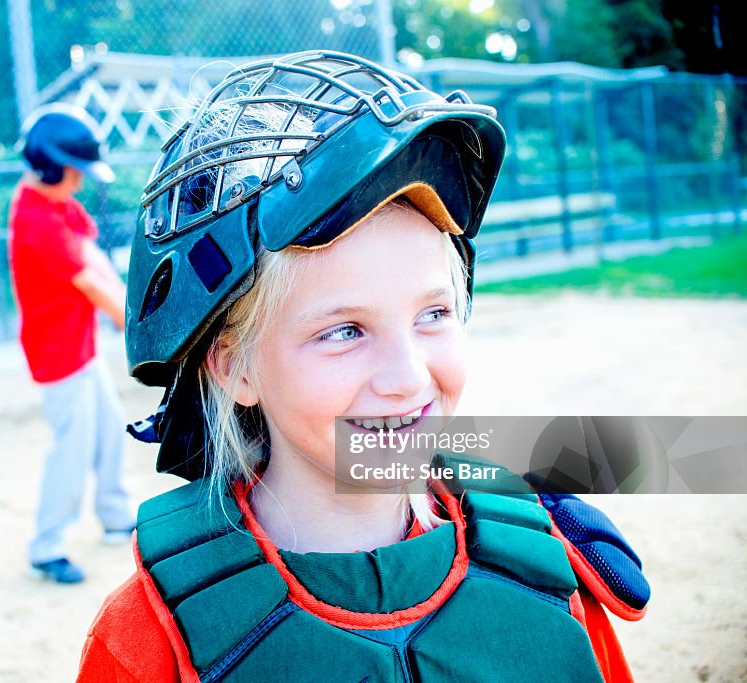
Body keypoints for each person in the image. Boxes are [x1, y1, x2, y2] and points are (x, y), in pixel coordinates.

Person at [77, 52, 649, 680]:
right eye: (345, 331)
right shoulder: (149, 639)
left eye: (433, 314)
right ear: (235, 366)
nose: (407, 378)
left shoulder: (553, 578)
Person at [8, 104, 136, 584]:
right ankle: (47, 545)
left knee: (108, 426)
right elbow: (93, 286)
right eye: (75, 171)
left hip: (80, 346)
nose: (80, 181)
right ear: (48, 164)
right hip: (57, 353)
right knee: (73, 448)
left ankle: (115, 514)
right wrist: (136, 326)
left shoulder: (58, 202)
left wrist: (134, 311)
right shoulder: (36, 219)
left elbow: (96, 262)